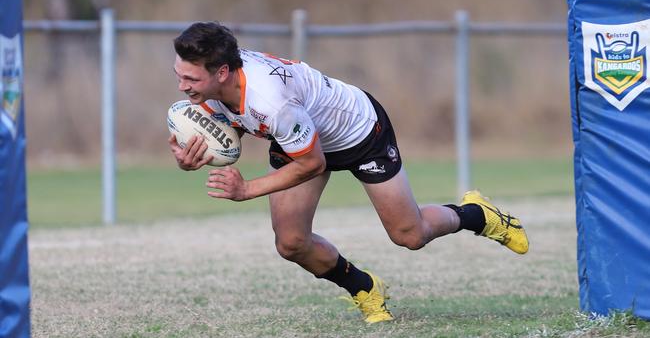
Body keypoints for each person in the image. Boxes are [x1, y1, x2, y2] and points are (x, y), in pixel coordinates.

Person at [168, 21, 529, 324]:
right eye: (179, 75)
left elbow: (312, 164)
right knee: (291, 243)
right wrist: (194, 156)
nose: (183, 86)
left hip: (357, 131)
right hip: (300, 138)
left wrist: (247, 190)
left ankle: (477, 215)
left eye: (191, 79)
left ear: (222, 72)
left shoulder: (271, 101)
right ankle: (363, 288)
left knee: (410, 234)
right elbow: (235, 128)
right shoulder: (216, 87)